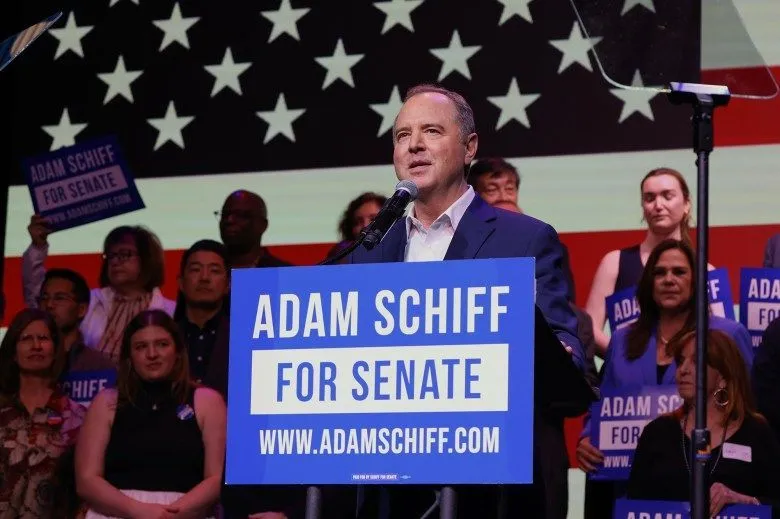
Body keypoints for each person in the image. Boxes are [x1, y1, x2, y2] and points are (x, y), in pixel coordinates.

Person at [349, 83, 583, 519]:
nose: (414, 145)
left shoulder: (526, 239)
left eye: (432, 131)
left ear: (469, 146)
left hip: (489, 491)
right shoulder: (369, 249)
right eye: (402, 135)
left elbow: (565, 355)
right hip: (388, 488)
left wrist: (561, 353)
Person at [576, 239, 754, 519]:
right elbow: (603, 401)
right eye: (659, 273)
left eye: (679, 272)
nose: (668, 279)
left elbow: (749, 411)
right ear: (648, 282)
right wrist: (588, 437)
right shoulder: (622, 338)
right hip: (630, 491)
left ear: (696, 280)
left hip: (702, 488)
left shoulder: (728, 335)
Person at [75, 310, 226, 518]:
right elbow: (86, 480)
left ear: (178, 351)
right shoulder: (106, 402)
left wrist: (168, 515)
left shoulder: (207, 401)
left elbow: (216, 478)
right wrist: (138, 511)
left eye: (162, 344)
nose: (152, 354)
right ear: (129, 357)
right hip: (118, 514)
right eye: (141, 347)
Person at [627, 329, 780, 516]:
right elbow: (633, 508)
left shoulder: (757, 433)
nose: (683, 370)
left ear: (723, 376)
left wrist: (748, 502)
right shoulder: (656, 433)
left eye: (696, 361)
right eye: (681, 361)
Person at [23, 220, 176, 362]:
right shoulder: (89, 301)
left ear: (147, 259)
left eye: (125, 254)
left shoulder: (172, 311)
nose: (115, 261)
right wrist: (37, 247)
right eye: (111, 256)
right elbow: (39, 296)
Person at [585, 168, 699, 355]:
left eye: (667, 196)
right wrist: (623, 359)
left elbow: (719, 337)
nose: (658, 205)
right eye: (649, 198)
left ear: (686, 204)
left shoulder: (704, 270)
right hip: (626, 379)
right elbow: (589, 329)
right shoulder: (614, 262)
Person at [0, 308, 86, 518]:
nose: (36, 346)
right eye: (27, 338)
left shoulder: (76, 416)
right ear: (13, 351)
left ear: (55, 349)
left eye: (43, 338)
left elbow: (84, 488)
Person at [218, 190, 292, 268]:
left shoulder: (286, 274)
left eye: (240, 215)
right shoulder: (206, 272)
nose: (229, 220)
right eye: (225, 214)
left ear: (262, 225)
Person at [324, 192, 388, 262]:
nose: (365, 225)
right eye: (358, 222)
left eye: (373, 219)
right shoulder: (343, 251)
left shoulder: (399, 249)